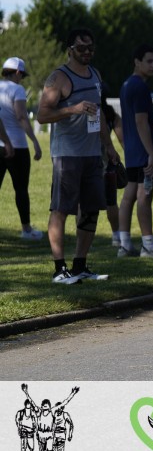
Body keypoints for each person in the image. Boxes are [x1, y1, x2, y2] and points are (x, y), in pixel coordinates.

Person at [37, 28, 119, 284]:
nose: (87, 52)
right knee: (61, 209)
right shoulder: (58, 78)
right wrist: (73, 109)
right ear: (69, 50)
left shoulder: (95, 74)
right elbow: (42, 115)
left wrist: (109, 146)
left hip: (92, 153)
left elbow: (99, 114)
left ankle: (80, 265)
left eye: (90, 48)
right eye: (81, 48)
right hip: (67, 154)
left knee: (91, 210)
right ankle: (59, 269)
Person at [118, 44, 153, 258]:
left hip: (132, 153)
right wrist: (151, 153)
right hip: (143, 153)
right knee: (144, 196)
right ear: (137, 62)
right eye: (149, 61)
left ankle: (124, 245)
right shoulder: (139, 86)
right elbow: (141, 121)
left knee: (129, 196)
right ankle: (148, 246)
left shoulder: (126, 84)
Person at [0, 56, 44, 239]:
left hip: (0, 144)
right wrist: (34, 140)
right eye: (22, 76)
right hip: (17, 146)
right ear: (18, 72)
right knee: (21, 189)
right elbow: (21, 116)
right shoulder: (17, 89)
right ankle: (26, 230)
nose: (22, 79)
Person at [22, 384, 77, 451]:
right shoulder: (38, 411)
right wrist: (26, 392)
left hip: (49, 435)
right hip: (40, 435)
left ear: (49, 406)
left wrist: (72, 393)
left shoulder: (53, 411)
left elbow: (64, 403)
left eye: (46, 405)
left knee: (50, 450)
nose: (45, 407)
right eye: (43, 405)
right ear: (42, 406)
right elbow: (32, 402)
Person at [100, 92, 125, 248]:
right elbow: (122, 139)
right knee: (111, 202)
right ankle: (116, 235)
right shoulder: (111, 114)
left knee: (84, 201)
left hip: (87, 160)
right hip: (107, 161)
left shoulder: (86, 110)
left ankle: (82, 234)